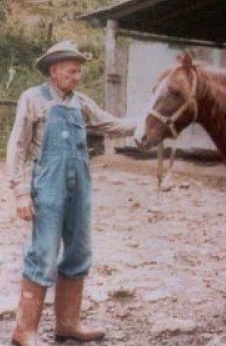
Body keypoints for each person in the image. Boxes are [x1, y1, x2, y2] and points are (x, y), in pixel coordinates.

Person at [7, 40, 137, 346]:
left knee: (79, 251)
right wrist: (20, 193)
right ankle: (24, 330)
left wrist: (148, 123)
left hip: (80, 187)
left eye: (79, 72)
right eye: (72, 71)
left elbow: (111, 124)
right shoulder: (33, 99)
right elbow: (17, 146)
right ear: (54, 70)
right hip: (48, 185)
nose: (77, 77)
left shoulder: (82, 103)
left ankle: (67, 324)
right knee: (44, 252)